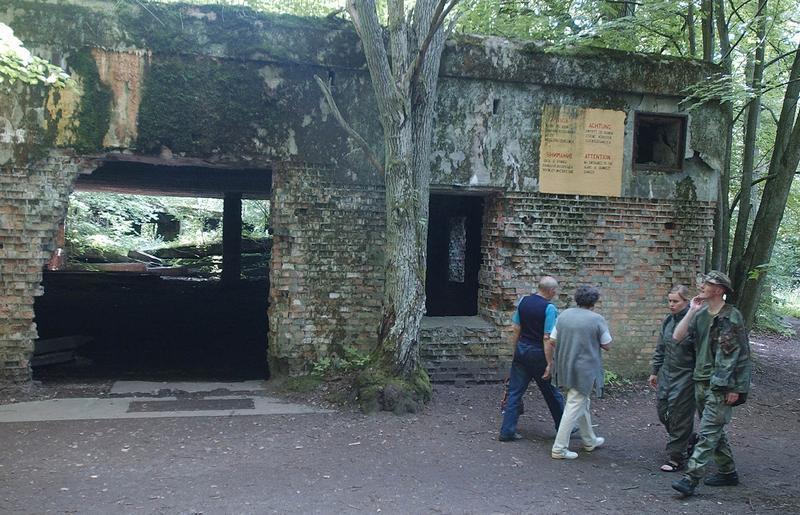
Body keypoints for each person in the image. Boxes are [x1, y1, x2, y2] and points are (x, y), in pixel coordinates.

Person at [670, 271, 752, 497]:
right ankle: (728, 472)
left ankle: (691, 478)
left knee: (707, 431)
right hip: (700, 380)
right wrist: (692, 311)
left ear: (719, 290)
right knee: (714, 429)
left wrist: (734, 388)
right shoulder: (700, 314)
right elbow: (677, 337)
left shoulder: (731, 316)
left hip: (721, 384)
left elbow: (736, 356)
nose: (703, 286)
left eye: (708, 283)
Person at [498, 276, 565, 442]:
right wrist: (550, 363)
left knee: (514, 392)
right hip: (538, 354)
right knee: (551, 392)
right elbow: (547, 338)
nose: (555, 293)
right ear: (550, 291)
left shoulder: (523, 301)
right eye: (555, 290)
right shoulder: (550, 309)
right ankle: (564, 428)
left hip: (522, 350)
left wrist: (516, 351)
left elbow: (516, 329)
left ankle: (507, 431)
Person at [549, 285, 611, 459]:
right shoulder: (597, 319)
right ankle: (559, 448)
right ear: (594, 301)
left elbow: (552, 340)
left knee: (581, 402)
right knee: (574, 405)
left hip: (564, 365)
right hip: (585, 369)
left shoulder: (564, 315)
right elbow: (607, 345)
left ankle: (589, 440)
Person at [648, 285, 697, 472]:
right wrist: (655, 371)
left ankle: (676, 458)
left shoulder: (694, 323)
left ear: (686, 302)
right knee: (663, 411)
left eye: (675, 301)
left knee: (680, 416)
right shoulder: (668, 320)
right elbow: (661, 347)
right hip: (667, 374)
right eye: (669, 301)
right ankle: (688, 439)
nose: (671, 304)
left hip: (686, 376)